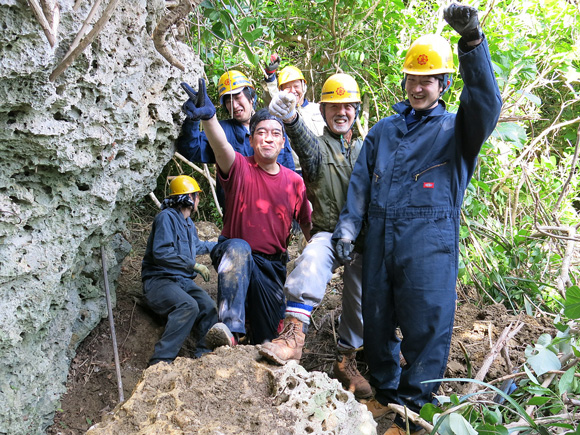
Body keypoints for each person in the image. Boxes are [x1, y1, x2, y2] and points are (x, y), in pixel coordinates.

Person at [332, 4, 502, 434]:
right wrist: (350, 225)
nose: (418, 86)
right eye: (412, 78)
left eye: (427, 79)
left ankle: (411, 410)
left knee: (427, 324)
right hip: (381, 238)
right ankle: (386, 396)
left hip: (429, 240)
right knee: (377, 318)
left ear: (444, 83)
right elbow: (360, 184)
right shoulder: (383, 131)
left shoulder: (456, 129)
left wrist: (472, 43)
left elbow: (486, 105)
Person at [259, 73, 371, 399]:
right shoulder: (319, 149)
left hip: (365, 241)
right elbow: (303, 141)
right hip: (328, 234)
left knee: (361, 298)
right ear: (323, 111)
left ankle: (347, 359)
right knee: (310, 259)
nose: (341, 112)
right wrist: (290, 117)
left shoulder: (368, 149)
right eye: (333, 106)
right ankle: (293, 336)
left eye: (347, 106)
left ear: (356, 110)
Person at [180, 78, 312, 346]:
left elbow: (310, 227)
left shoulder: (294, 181)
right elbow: (221, 147)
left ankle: (252, 331)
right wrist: (209, 118)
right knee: (240, 248)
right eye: (261, 133)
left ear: (284, 143)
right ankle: (230, 331)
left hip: (273, 266)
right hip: (234, 252)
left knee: (268, 338)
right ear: (250, 140)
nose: (268, 138)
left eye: (275, 133)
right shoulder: (240, 168)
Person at [176, 70, 295, 208]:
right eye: (228, 101)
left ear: (251, 98)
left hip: (275, 208)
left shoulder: (273, 127)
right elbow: (191, 149)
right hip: (237, 214)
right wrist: (193, 120)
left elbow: (288, 168)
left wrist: (293, 206)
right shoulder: (221, 131)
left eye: (238, 98)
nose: (234, 105)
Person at [141, 175, 218, 366]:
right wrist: (193, 265)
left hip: (182, 282)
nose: (198, 200)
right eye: (197, 196)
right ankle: (161, 361)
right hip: (159, 281)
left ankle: (203, 354)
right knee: (188, 306)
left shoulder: (188, 223)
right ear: (189, 198)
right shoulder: (166, 218)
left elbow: (195, 247)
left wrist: (217, 244)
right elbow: (161, 253)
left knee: (208, 307)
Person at [264, 59, 326, 173]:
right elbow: (274, 97)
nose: (293, 91)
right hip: (294, 170)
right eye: (287, 87)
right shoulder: (281, 114)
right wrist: (270, 75)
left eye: (296, 86)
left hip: (321, 167)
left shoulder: (318, 109)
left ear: (304, 86)